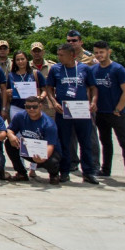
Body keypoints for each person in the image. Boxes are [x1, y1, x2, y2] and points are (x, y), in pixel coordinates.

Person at [45, 43, 99, 184]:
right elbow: (49, 88)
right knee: (64, 142)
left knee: (85, 141)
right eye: (58, 54)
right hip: (64, 111)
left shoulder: (84, 69)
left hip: (81, 110)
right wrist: (54, 102)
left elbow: (93, 87)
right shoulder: (55, 69)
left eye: (62, 55)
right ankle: (65, 171)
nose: (59, 57)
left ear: (72, 55)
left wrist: (93, 102)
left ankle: (88, 172)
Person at [91, 40, 125, 185]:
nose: (99, 55)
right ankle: (105, 169)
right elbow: (92, 89)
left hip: (116, 113)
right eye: (96, 53)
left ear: (108, 52)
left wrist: (118, 108)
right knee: (105, 142)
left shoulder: (118, 69)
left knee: (124, 143)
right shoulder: (94, 70)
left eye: (102, 52)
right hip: (101, 112)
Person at [5, 96, 62, 184]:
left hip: (47, 152)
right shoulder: (20, 116)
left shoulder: (48, 124)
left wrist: (41, 159)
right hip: (28, 149)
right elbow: (9, 129)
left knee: (53, 162)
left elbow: (50, 146)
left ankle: (54, 175)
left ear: (40, 106)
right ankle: (21, 173)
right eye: (28, 107)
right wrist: (11, 135)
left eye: (34, 107)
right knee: (9, 143)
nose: (31, 109)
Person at [7, 51, 45, 118]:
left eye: (22, 59)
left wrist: (41, 97)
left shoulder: (35, 73)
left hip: (33, 107)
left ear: (27, 59)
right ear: (15, 62)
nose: (20, 61)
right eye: (18, 60)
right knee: (15, 128)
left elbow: (45, 89)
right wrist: (8, 92)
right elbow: (7, 90)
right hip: (16, 107)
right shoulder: (11, 75)